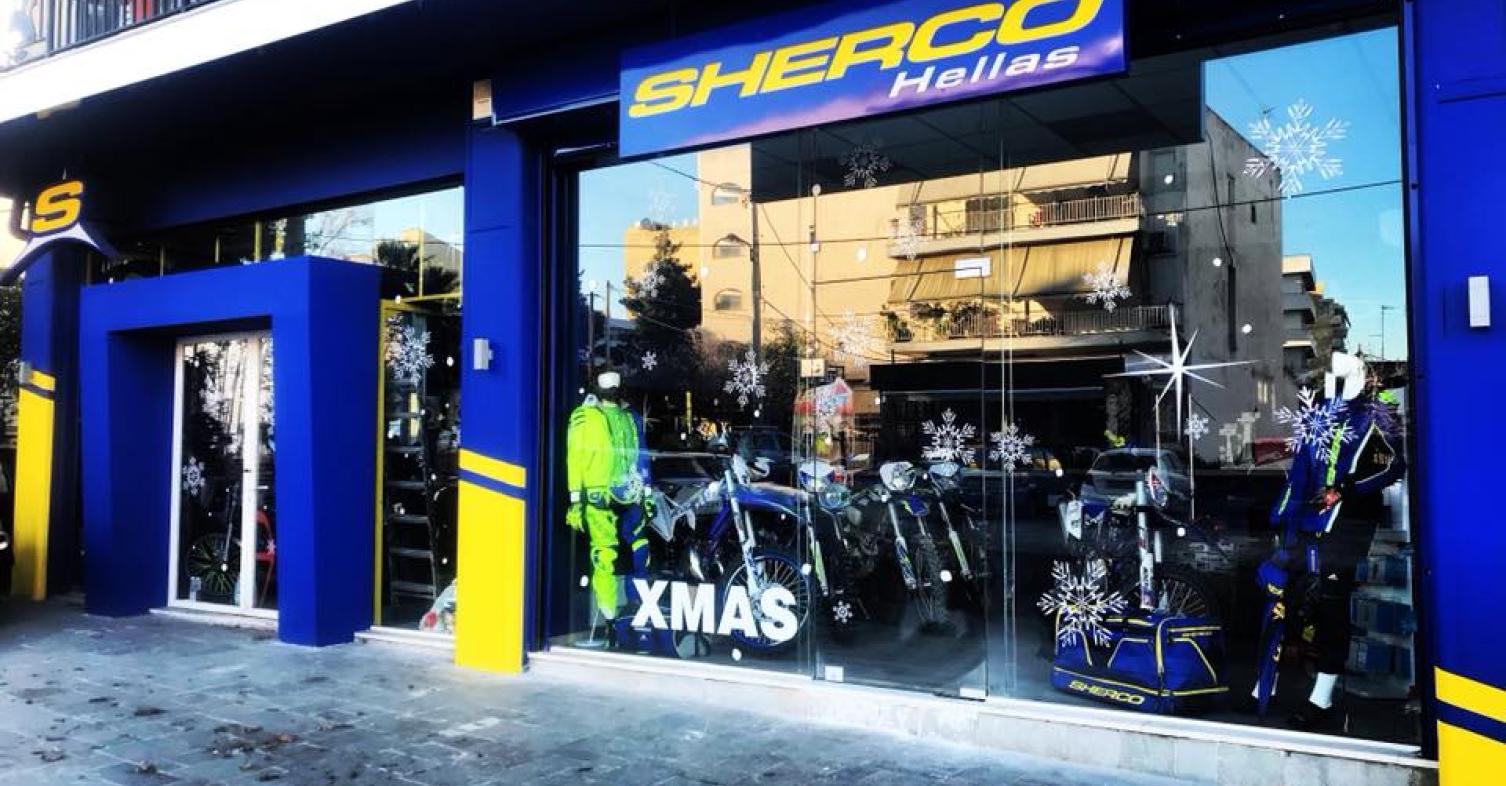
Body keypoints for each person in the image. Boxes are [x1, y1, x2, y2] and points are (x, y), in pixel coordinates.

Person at [1253, 352, 1406, 729]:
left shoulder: (1376, 412)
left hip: (1349, 522)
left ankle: (1321, 698)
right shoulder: (1320, 412)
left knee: (1332, 607)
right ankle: (1267, 681)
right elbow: (1302, 468)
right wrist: (1286, 513)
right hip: (1310, 516)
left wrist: (1346, 488)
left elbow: (1393, 465)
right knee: (1282, 592)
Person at [565, 371, 651, 645]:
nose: (613, 389)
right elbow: (574, 458)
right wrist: (576, 500)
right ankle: (610, 622)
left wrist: (647, 492)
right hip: (598, 496)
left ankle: (636, 610)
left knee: (640, 550)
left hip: (630, 494)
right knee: (604, 557)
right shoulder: (583, 416)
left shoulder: (630, 418)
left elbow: (641, 455)